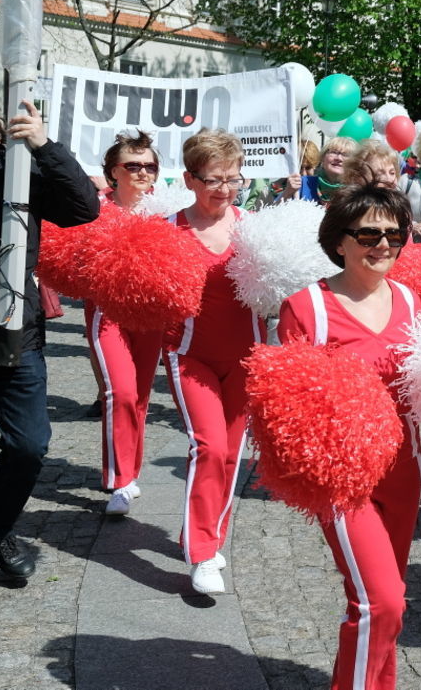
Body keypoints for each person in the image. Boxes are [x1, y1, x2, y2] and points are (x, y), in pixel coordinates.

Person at [278, 184, 421, 690]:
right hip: (342, 477)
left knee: (389, 598)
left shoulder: (409, 298)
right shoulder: (306, 308)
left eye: (394, 233)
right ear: (340, 241)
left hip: (405, 468)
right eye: (368, 233)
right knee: (380, 599)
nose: (382, 244)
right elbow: (285, 407)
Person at [0, 101, 99, 580]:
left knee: (29, 446)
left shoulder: (14, 167)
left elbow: (82, 207)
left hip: (17, 331)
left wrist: (42, 145)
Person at [163, 130, 265, 595]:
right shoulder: (169, 230)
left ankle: (205, 533)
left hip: (246, 359)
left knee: (231, 454)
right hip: (190, 356)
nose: (224, 189)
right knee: (207, 447)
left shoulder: (255, 229)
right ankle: (203, 554)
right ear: (189, 179)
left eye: (233, 178)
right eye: (213, 179)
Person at [89, 131, 164, 516]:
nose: (142, 172)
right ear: (113, 171)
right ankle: (120, 480)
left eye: (149, 166)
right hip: (108, 313)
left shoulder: (165, 208)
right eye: (132, 165)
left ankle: (130, 470)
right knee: (119, 391)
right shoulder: (95, 208)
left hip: (150, 316)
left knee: (139, 395)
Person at [314, 136, 361, 205]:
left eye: (345, 155)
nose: (339, 158)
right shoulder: (303, 185)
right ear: (323, 158)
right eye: (334, 152)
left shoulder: (358, 193)